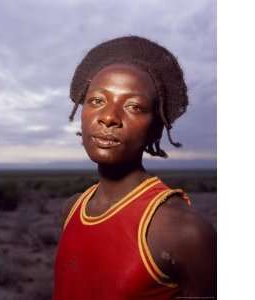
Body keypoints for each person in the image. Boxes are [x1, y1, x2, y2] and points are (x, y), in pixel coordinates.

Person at [53, 36, 216, 300]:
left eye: (134, 106)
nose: (108, 117)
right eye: (96, 101)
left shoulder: (184, 234)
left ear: (155, 128)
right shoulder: (72, 210)